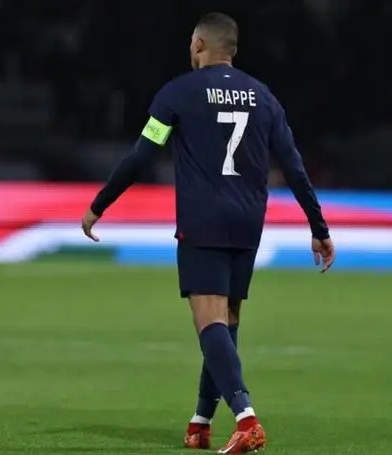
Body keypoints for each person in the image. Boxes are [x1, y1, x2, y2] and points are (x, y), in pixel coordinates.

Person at [81, 12, 335, 454]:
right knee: (227, 321)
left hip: (203, 219)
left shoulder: (178, 93)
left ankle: (246, 417)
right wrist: (319, 226)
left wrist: (99, 205)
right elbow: (293, 165)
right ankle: (200, 422)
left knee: (209, 322)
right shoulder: (263, 96)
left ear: (199, 44)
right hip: (248, 221)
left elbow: (142, 155)